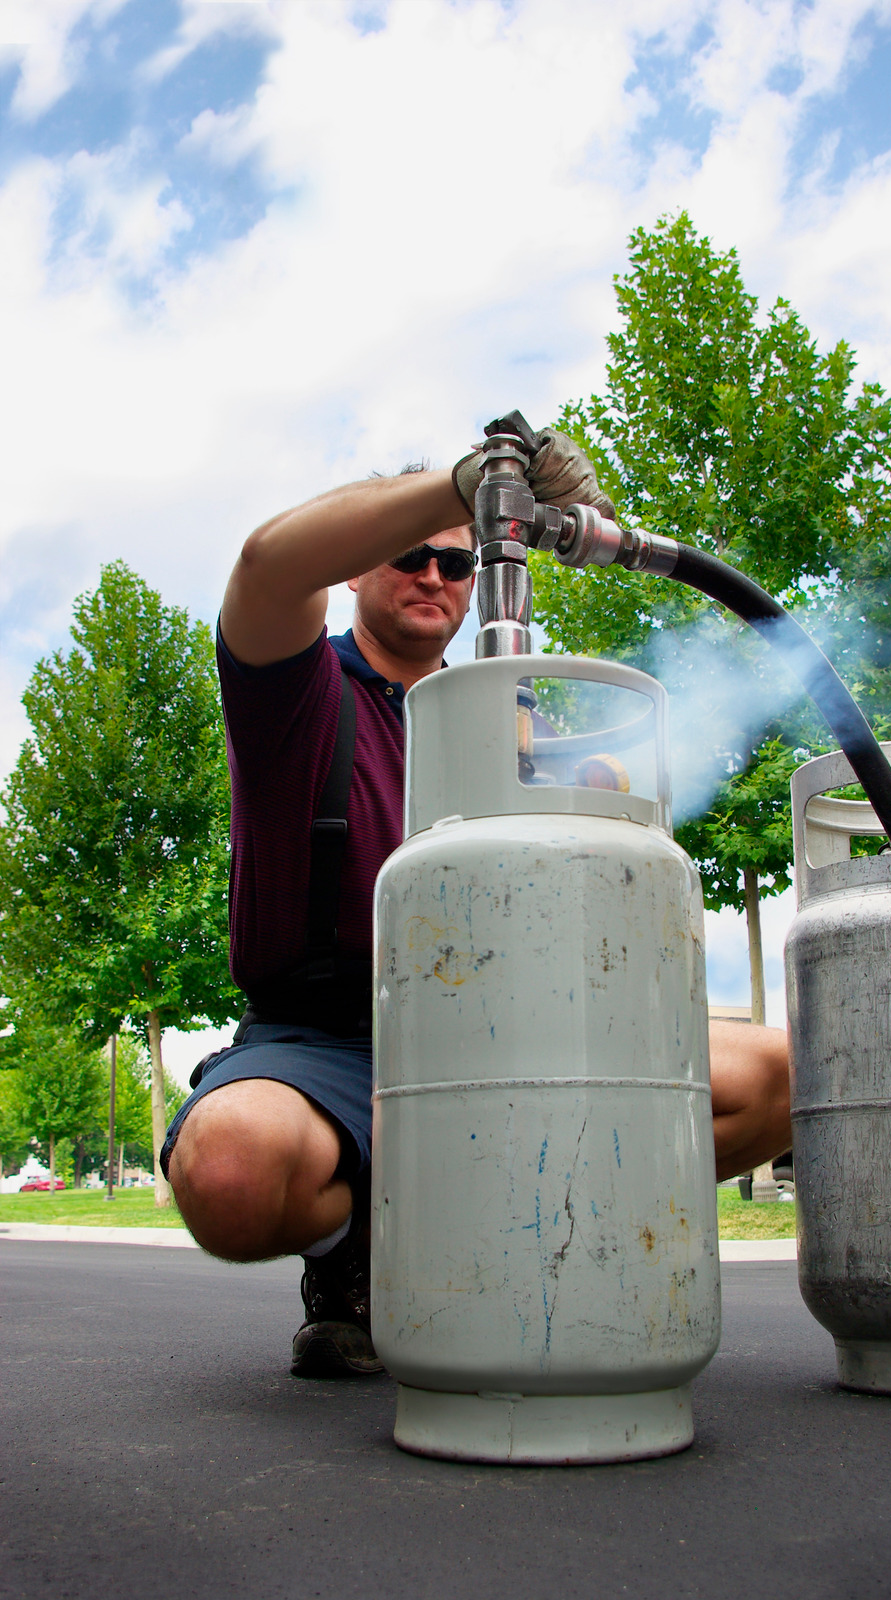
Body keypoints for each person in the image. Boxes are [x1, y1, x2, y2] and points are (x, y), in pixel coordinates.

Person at [162, 429, 791, 1377]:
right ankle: (355, 1258)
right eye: (409, 553)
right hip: (332, 1038)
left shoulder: (514, 716)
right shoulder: (296, 687)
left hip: (512, 1025)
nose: (436, 575)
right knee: (232, 1174)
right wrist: (464, 483)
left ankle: (515, 1240)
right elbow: (267, 562)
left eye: (457, 561)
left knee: (780, 1076)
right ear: (355, 569)